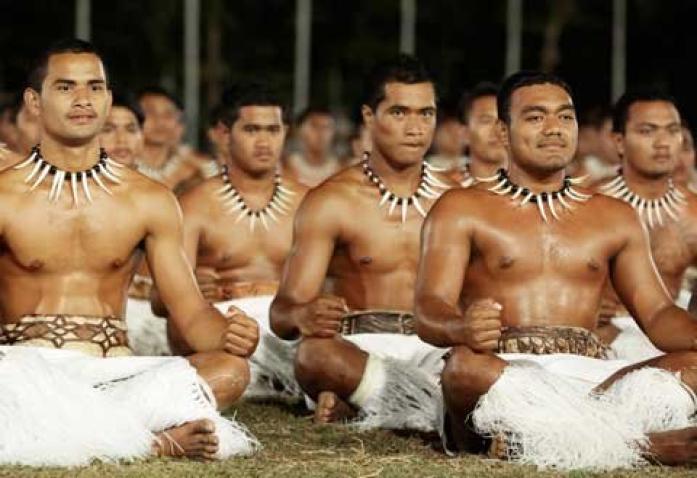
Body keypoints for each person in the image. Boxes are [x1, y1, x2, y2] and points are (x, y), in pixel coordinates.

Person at [415, 70, 697, 470]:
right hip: (506, 375)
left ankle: (534, 441)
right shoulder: (460, 208)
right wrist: (461, 329)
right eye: (535, 117)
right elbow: (428, 308)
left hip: (594, 379)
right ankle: (641, 447)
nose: (554, 129)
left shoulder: (614, 216)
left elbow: (658, 314)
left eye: (565, 117)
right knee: (464, 368)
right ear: (503, 130)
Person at [0, 39, 258, 465]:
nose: (84, 99)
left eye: (95, 87)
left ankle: (68, 433)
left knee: (232, 371)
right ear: (34, 100)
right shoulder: (6, 194)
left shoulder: (150, 199)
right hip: (23, 370)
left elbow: (190, 313)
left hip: (115, 374)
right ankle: (153, 441)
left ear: (109, 97)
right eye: (65, 87)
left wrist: (229, 335)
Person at [270, 55, 455, 430]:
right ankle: (435, 414)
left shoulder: (458, 200)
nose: (416, 128)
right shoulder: (331, 200)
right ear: (370, 117)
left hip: (437, 351)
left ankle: (369, 407)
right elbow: (282, 312)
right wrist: (304, 315)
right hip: (360, 350)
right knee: (313, 355)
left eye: (426, 114)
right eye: (400, 113)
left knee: (476, 367)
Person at [152, 83, 308, 398]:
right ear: (225, 134)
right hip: (222, 324)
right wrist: (196, 290)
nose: (264, 141)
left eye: (273, 130)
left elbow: (332, 284)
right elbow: (160, 300)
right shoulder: (194, 203)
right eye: (251, 129)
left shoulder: (309, 202)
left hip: (287, 327)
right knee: (178, 324)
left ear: (285, 133)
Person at [595, 90, 697, 362]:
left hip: (670, 340)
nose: (663, 143)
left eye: (672, 130)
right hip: (595, 341)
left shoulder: (693, 211)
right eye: (648, 131)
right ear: (619, 141)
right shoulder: (587, 205)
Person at [138, 86, 217, 191]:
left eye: (168, 114)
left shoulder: (195, 169)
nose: (160, 121)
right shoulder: (120, 166)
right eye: (150, 112)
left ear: (179, 121)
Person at [456, 82, 508, 186]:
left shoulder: (536, 190)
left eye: (504, 120)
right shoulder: (443, 188)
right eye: (486, 121)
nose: (497, 130)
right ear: (464, 133)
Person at [285, 106, 340, 187]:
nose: (321, 133)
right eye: (315, 126)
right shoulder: (285, 169)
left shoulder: (341, 171)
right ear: (300, 130)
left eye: (326, 127)